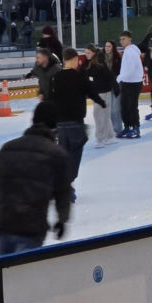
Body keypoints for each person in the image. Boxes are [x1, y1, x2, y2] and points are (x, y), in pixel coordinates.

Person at [0, 101, 71, 258]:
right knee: (22, 277)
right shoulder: (56, 154)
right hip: (31, 228)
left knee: (5, 277)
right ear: (55, 125)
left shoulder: (7, 148)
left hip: (4, 224)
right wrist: (62, 220)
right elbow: (63, 192)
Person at [49, 48, 106, 201]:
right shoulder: (79, 76)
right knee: (74, 156)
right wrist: (101, 102)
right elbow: (92, 91)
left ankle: (63, 185)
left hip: (61, 124)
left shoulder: (56, 77)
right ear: (74, 59)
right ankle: (65, 186)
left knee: (64, 156)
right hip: (75, 123)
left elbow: (51, 100)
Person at [84, 45, 116, 147]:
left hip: (103, 93)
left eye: (88, 53)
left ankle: (101, 138)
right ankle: (109, 137)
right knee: (104, 115)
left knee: (99, 115)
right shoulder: (91, 63)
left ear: (93, 53)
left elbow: (108, 76)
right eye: (85, 53)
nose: (86, 55)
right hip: (99, 92)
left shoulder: (99, 64)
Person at [116, 29, 144, 138]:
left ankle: (135, 128)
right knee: (125, 106)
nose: (121, 41)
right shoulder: (128, 50)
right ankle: (127, 126)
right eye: (120, 39)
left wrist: (118, 79)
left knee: (132, 106)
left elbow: (130, 70)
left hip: (133, 83)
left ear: (130, 39)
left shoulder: (131, 52)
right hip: (127, 82)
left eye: (124, 39)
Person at [103, 39, 122, 134]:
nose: (107, 48)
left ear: (113, 48)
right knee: (109, 109)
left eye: (109, 46)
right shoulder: (101, 58)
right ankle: (111, 129)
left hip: (116, 85)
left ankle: (118, 129)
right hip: (106, 85)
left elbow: (119, 73)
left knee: (116, 108)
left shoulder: (117, 59)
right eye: (106, 46)